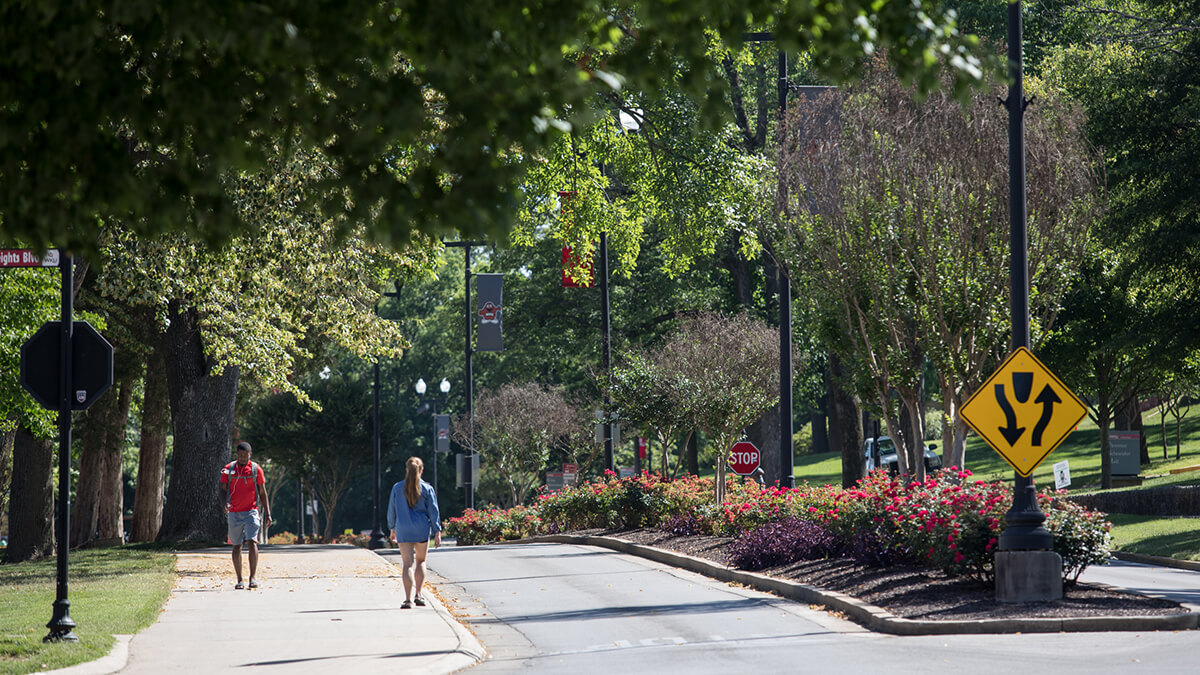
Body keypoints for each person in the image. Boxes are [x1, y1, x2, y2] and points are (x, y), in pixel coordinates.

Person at [387, 456, 442, 609]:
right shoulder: (427, 489)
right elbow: (433, 511)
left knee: (407, 565)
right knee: (421, 561)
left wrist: (392, 528)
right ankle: (418, 594)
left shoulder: (397, 488)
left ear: (407, 470)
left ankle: (407, 599)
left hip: (403, 529)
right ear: (421, 470)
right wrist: (437, 531)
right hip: (421, 529)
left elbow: (391, 511)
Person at [220, 441, 271, 590]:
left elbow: (262, 492)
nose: (243, 458)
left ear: (250, 454)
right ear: (237, 455)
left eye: (245, 455)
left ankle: (252, 578)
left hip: (251, 511)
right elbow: (221, 489)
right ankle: (239, 579)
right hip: (234, 513)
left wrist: (267, 513)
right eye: (240, 455)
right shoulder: (228, 469)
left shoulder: (256, 470)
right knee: (236, 545)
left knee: (252, 542)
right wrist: (224, 503)